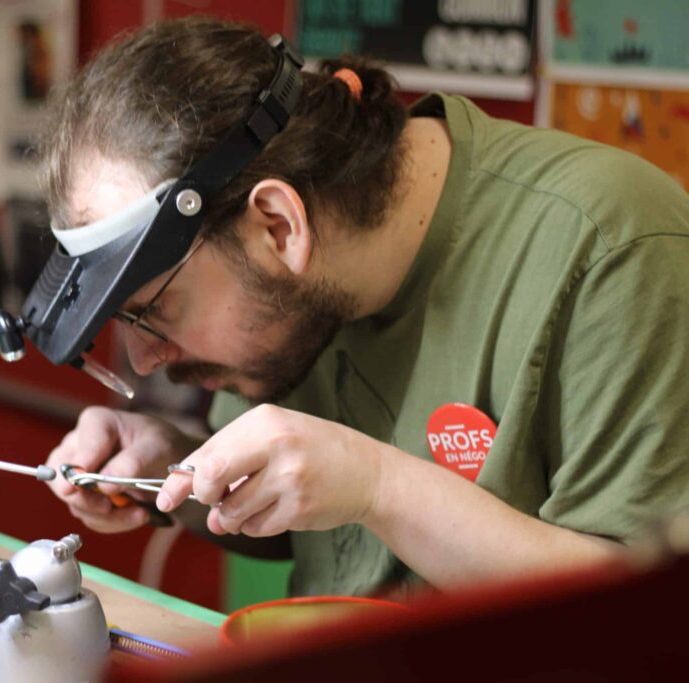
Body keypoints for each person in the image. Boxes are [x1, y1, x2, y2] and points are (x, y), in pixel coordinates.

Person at [40, 16, 689, 599]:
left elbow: (645, 615)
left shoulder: (613, 249)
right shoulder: (288, 308)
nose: (146, 362)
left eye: (154, 309)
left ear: (278, 226)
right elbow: (313, 519)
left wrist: (379, 486)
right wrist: (171, 462)